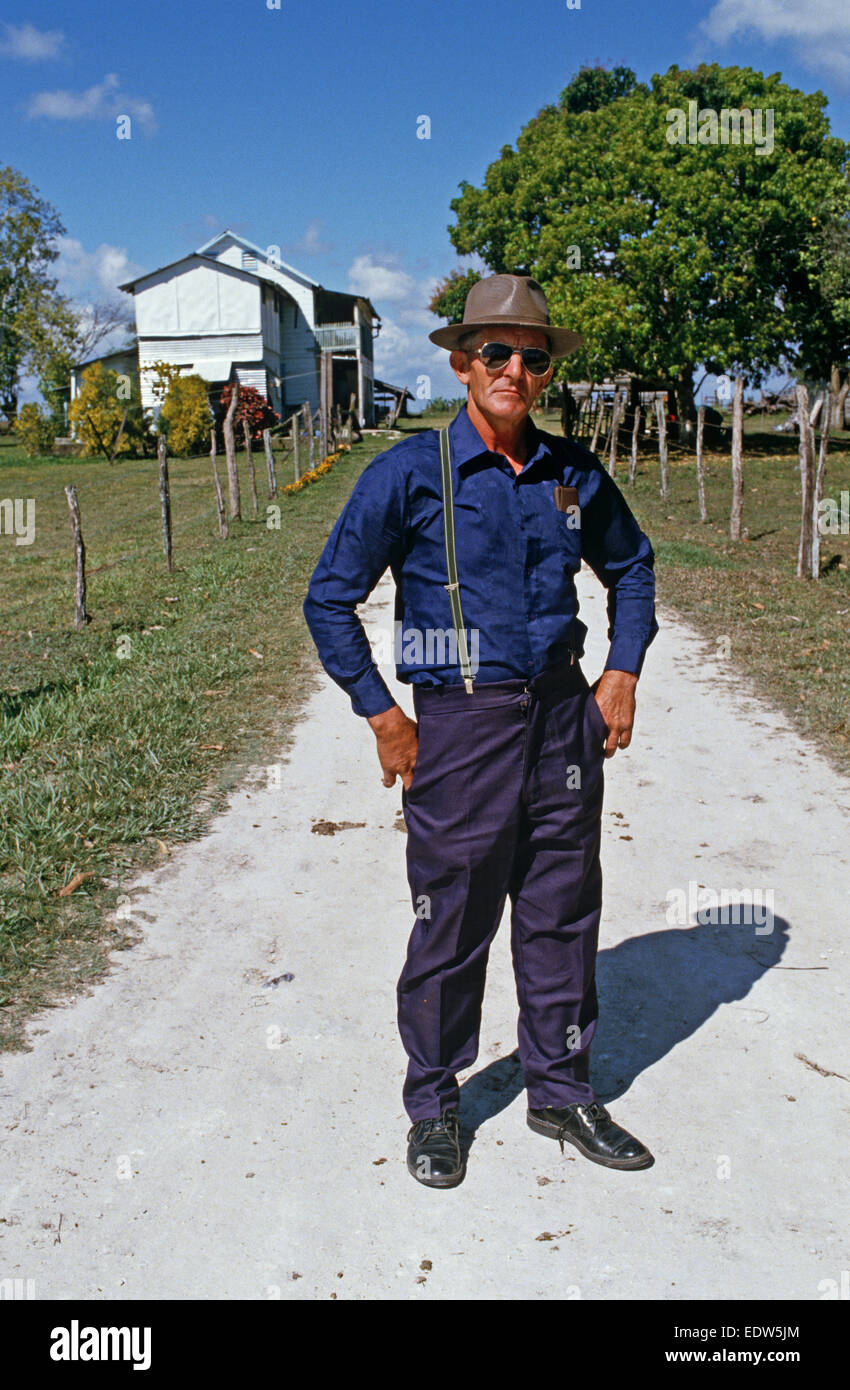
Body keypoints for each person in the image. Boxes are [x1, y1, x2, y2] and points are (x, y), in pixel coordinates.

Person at [303, 274, 659, 1188]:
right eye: (495, 352)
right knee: (451, 922)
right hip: (460, 724)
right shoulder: (410, 474)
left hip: (563, 719)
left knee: (562, 911)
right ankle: (434, 1101)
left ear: (545, 375)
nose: (514, 370)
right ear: (462, 363)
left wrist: (620, 672)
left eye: (531, 357)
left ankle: (561, 1088)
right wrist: (384, 715)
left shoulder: (573, 475)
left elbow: (633, 566)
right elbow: (329, 600)